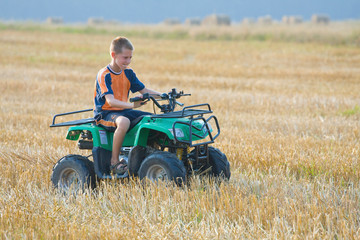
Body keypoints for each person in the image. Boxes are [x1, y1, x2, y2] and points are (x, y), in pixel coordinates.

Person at [94, 36, 161, 174]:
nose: (128, 61)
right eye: (125, 57)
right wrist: (133, 106)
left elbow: (144, 91)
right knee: (124, 122)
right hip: (105, 113)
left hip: (123, 110)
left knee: (153, 119)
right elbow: (111, 101)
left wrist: (163, 95)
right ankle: (114, 161)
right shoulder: (104, 74)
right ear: (113, 55)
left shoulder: (128, 72)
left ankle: (150, 155)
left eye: (130, 57)